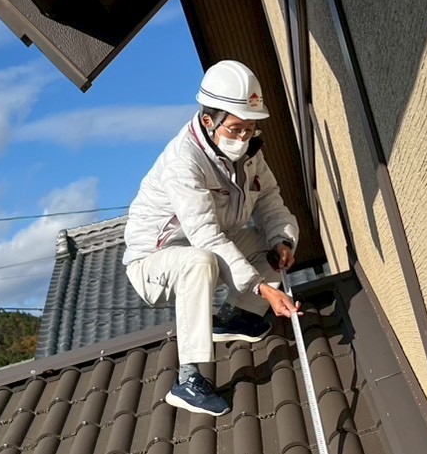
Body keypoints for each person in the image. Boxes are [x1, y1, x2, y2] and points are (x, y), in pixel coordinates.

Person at [123, 59, 302, 416]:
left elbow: (269, 200)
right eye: (235, 129)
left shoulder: (250, 154)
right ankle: (188, 380)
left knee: (266, 243)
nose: (243, 138)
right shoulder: (183, 162)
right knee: (199, 261)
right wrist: (262, 288)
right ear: (209, 120)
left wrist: (283, 239)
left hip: (210, 244)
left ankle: (236, 315)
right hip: (154, 261)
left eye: (250, 129)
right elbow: (204, 235)